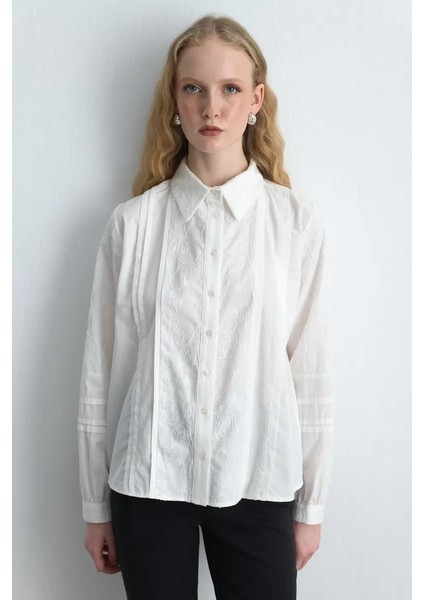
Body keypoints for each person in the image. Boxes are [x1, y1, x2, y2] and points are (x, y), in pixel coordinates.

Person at [77, 13, 336, 600]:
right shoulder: (132, 226)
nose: (211, 107)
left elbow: (311, 372)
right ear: (174, 100)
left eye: (230, 89)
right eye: (193, 87)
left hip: (259, 478)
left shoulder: (295, 226)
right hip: (148, 481)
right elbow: (102, 371)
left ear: (256, 101)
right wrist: (95, 505)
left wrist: (312, 507)